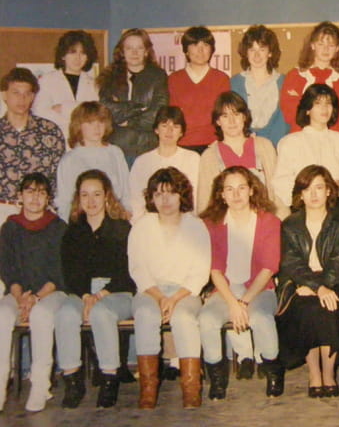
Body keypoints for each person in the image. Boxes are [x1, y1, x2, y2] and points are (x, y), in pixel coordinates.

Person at [199, 166, 285, 398]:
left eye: (241, 188)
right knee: (207, 319)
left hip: (259, 289)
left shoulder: (269, 222)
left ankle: (273, 370)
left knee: (261, 318)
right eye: (229, 189)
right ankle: (217, 378)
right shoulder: (211, 224)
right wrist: (232, 303)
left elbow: (269, 268)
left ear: (251, 190)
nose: (236, 195)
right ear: (221, 194)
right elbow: (215, 270)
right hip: (224, 290)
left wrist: (244, 303)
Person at [128, 167, 210, 409]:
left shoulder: (196, 226)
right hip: (150, 292)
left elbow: (200, 271)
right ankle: (148, 389)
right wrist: (159, 296)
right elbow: (138, 268)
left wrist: (173, 299)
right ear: (151, 198)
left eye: (171, 193)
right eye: (158, 194)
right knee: (145, 314)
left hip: (185, 292)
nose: (165, 200)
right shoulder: (141, 226)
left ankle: (191, 389)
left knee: (184, 318)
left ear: (181, 195)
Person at [56, 170, 135, 408]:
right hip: (83, 292)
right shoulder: (73, 231)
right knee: (66, 314)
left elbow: (128, 272)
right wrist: (86, 295)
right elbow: (70, 272)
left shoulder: (121, 228)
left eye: (97, 194)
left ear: (107, 196)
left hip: (117, 292)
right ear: (78, 198)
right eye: (85, 195)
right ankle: (73, 381)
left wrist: (100, 295)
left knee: (102, 312)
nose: (91, 201)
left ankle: (109, 379)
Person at [276, 165, 339, 397]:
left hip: (334, 281)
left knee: (328, 308)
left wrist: (324, 286)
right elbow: (291, 263)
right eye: (307, 189)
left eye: (319, 187)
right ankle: (314, 374)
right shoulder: (290, 224)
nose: (314, 194)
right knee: (308, 309)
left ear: (329, 191)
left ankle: (329, 373)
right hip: (300, 283)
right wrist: (314, 287)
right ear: (300, 194)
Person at [0, 173, 67, 412]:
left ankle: (40, 386)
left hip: (52, 292)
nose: (35, 197)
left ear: (48, 198)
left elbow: (59, 272)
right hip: (19, 293)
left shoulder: (58, 227)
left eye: (41, 192)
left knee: (41, 315)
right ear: (20, 196)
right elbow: (7, 269)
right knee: (2, 315)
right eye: (30, 191)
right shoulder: (10, 227)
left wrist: (36, 298)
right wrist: (21, 298)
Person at [0, 67, 66, 226]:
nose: (22, 99)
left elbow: (58, 178)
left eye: (27, 93)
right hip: (3, 209)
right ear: (4, 95)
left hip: (39, 212)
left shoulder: (49, 132)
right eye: (16, 93)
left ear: (33, 96)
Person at [197, 91, 279, 214]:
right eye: (225, 116)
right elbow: (204, 202)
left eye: (236, 114)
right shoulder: (209, 156)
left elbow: (277, 192)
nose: (232, 121)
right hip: (226, 220)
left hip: (263, 218)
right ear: (218, 121)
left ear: (244, 117)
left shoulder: (264, 146)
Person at [273, 84, 339, 209]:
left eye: (328, 103)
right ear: (307, 109)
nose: (324, 108)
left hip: (336, 210)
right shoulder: (289, 143)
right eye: (318, 103)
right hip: (301, 210)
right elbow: (281, 183)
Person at [98, 28, 169, 164]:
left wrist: (129, 121)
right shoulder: (109, 76)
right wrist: (138, 108)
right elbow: (106, 110)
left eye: (139, 48)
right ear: (122, 52)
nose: (134, 53)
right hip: (117, 148)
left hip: (148, 148)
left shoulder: (158, 76)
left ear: (146, 51)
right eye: (129, 48)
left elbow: (158, 113)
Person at [56, 101, 131, 222]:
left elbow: (126, 192)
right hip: (82, 221)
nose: (97, 128)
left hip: (113, 218)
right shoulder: (69, 159)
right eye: (90, 123)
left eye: (101, 122)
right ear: (79, 126)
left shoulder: (115, 153)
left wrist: (127, 214)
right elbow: (64, 201)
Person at [129, 106, 201, 222]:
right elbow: (136, 202)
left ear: (181, 132)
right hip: (150, 223)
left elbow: (196, 198)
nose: (169, 131)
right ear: (156, 129)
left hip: (185, 222)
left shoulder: (193, 159)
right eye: (164, 125)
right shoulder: (142, 162)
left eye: (175, 126)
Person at [280, 21, 339, 133]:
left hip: (331, 136)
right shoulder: (295, 75)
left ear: (337, 48)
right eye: (321, 44)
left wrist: (326, 135)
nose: (326, 49)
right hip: (301, 135)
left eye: (331, 45)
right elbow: (289, 113)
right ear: (312, 45)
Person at [167, 26, 230, 153]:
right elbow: (172, 118)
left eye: (205, 45)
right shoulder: (174, 79)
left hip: (214, 146)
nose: (200, 50)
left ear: (211, 49)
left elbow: (224, 116)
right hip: (182, 146)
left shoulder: (221, 79)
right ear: (186, 50)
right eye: (195, 45)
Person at [32, 29, 100, 145]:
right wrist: (80, 115)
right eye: (72, 52)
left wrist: (63, 108)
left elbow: (95, 115)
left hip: (85, 144)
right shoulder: (47, 80)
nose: (77, 57)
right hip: (55, 141)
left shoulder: (94, 84)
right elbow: (40, 113)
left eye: (83, 53)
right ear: (63, 55)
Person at [231, 25, 289, 146]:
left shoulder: (285, 83)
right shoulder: (234, 83)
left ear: (270, 53)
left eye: (262, 49)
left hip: (276, 146)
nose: (257, 55)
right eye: (252, 50)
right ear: (246, 53)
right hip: (242, 147)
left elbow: (285, 123)